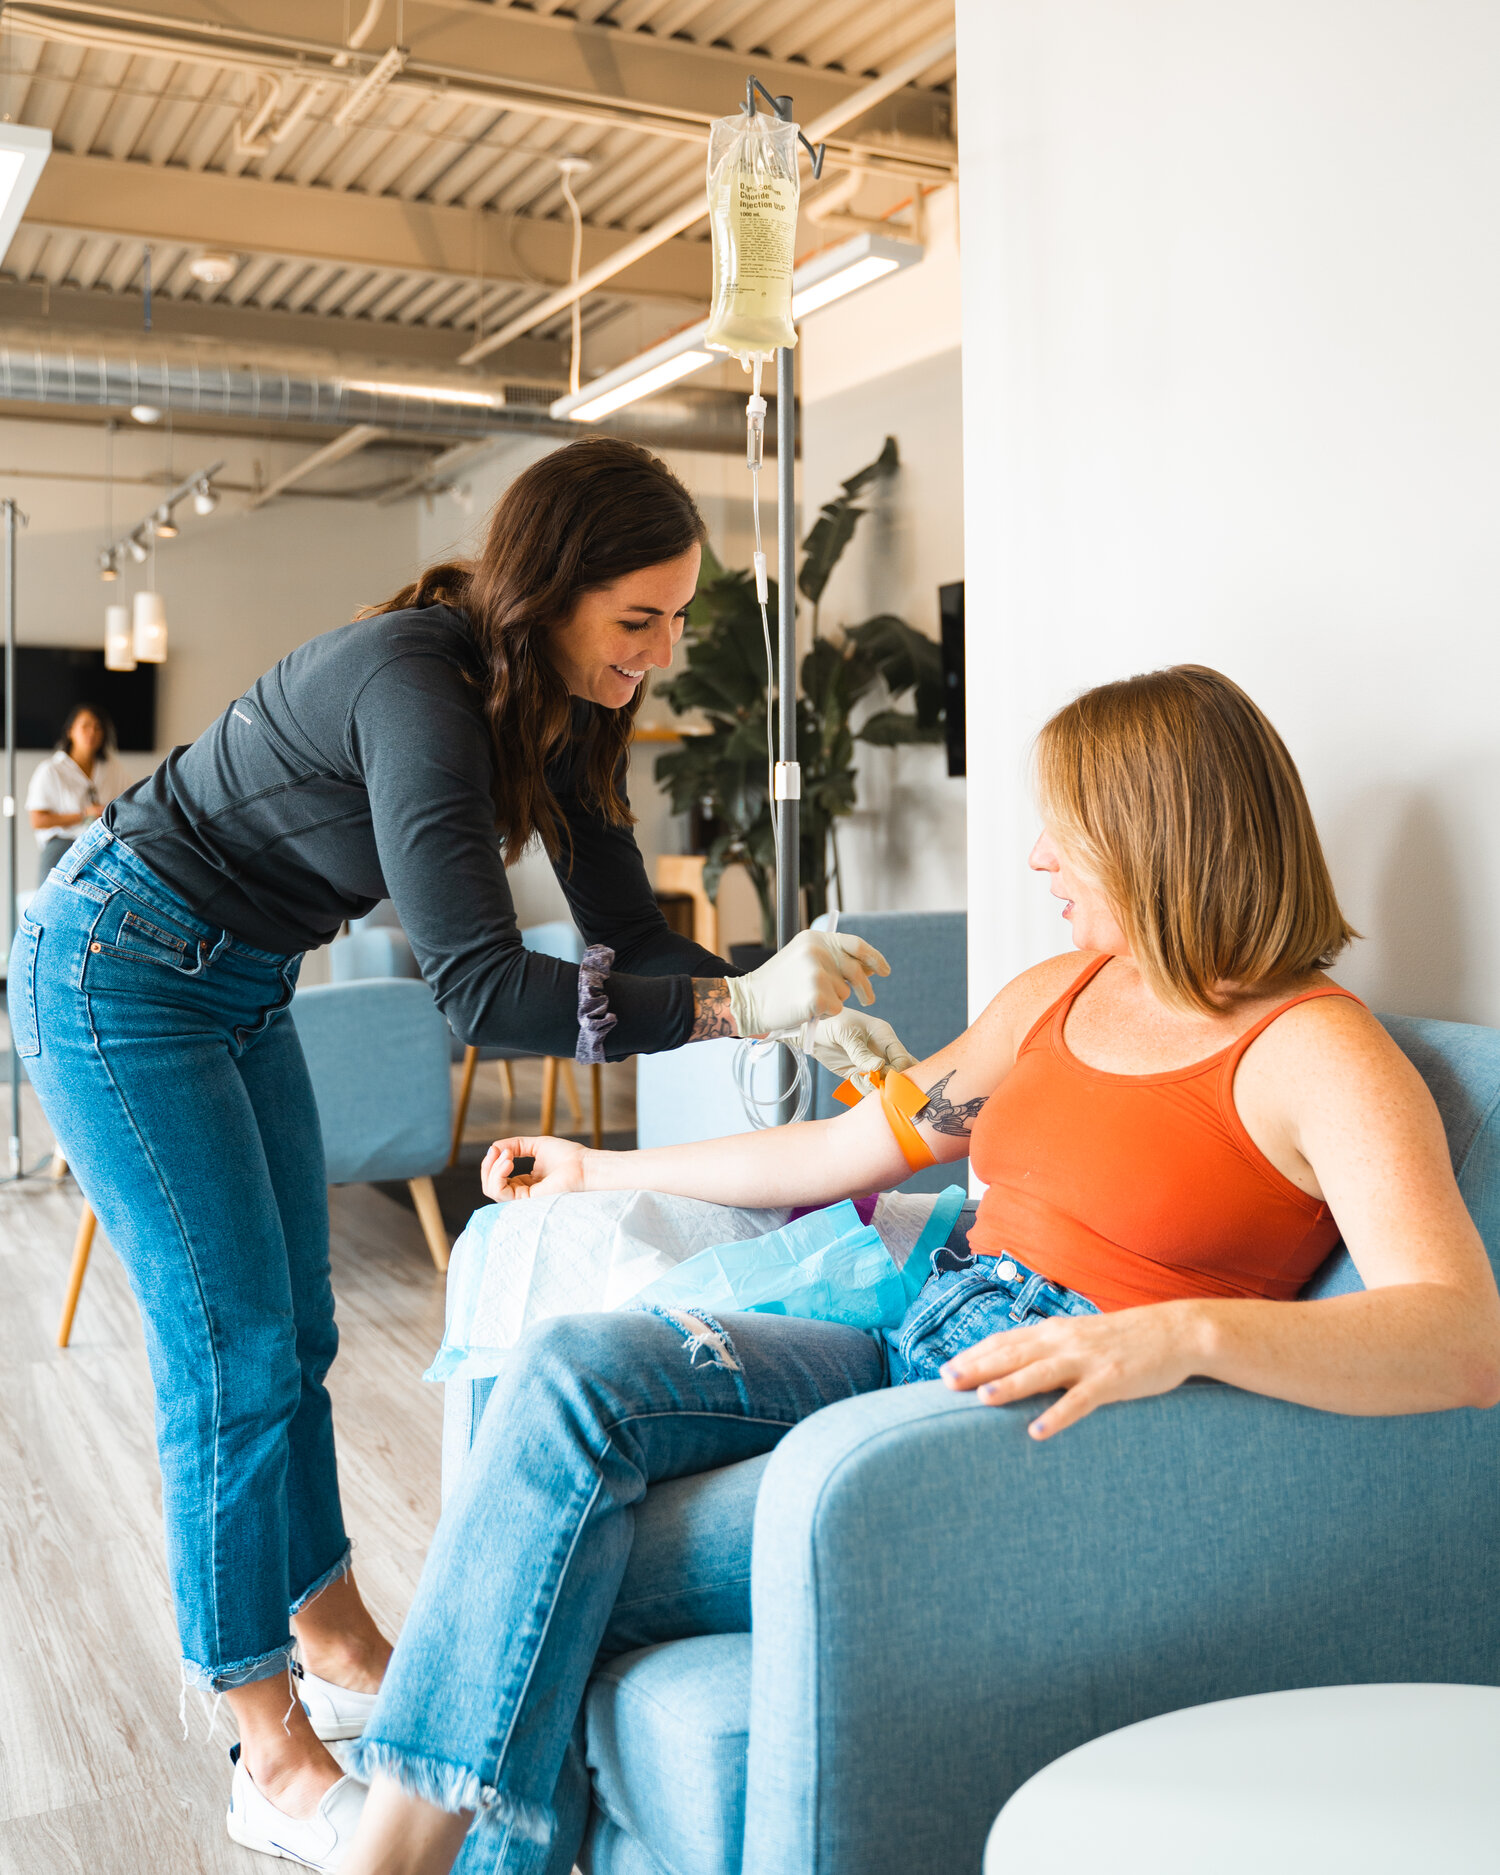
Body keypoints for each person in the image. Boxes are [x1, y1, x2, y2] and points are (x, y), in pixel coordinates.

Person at [332, 664, 1500, 1875]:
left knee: (550, 1547)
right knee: (575, 1370)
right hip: (909, 1343)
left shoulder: (1317, 1051)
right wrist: (602, 1172)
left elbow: (1462, 1338)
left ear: (1158, 834)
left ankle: (396, 1861)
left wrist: (1184, 1336)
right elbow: (844, 1146)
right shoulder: (1059, 996)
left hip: (1030, 1428)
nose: (1039, 860)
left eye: (1068, 831)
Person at [9, 440, 909, 1872]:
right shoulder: (418, 683)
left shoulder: (560, 704)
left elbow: (623, 939)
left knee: (293, 1331)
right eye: (639, 621)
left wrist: (769, 981)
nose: (664, 652)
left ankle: (337, 1639)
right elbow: (483, 989)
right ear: (549, 592)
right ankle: (269, 1744)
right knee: (231, 1351)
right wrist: (739, 1003)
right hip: (116, 966)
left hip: (234, 977)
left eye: (678, 619)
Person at [26, 702, 114, 879]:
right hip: (62, 847)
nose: (92, 732)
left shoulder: (112, 769)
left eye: (98, 727)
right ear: (70, 731)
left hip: (102, 846)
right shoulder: (51, 769)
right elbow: (37, 820)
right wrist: (84, 814)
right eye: (85, 726)